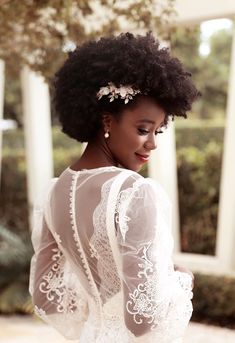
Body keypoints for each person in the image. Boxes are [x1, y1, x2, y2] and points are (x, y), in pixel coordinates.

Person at [29, 32, 199, 342]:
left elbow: (46, 298)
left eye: (158, 131)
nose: (152, 143)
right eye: (143, 129)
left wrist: (100, 308)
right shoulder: (135, 193)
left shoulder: (53, 193)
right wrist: (180, 279)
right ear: (107, 121)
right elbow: (141, 319)